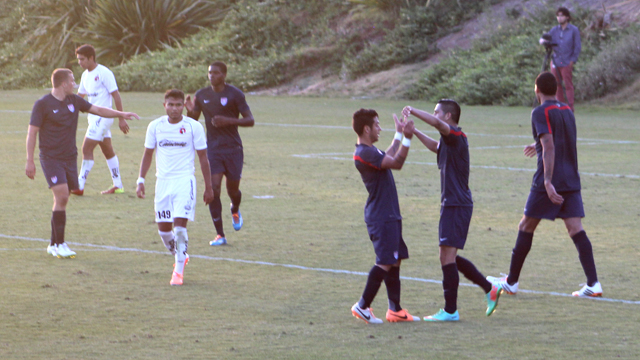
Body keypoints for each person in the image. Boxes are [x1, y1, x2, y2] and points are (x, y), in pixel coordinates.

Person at [487, 72, 602, 298]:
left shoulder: (539, 111)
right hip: (571, 178)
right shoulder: (567, 110)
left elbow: (550, 146)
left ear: (536, 89)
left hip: (549, 180)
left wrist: (548, 181)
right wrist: (537, 144)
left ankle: (511, 282)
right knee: (575, 229)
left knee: (525, 226)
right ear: (557, 89)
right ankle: (593, 283)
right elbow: (557, 140)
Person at [402, 100, 502, 321]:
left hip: (456, 204)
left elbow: (438, 128)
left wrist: (414, 112)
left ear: (447, 116)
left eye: (436, 111)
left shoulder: (455, 135)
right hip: (452, 203)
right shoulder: (448, 140)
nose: (434, 114)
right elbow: (435, 147)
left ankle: (450, 311)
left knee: (447, 257)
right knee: (448, 257)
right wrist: (414, 130)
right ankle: (489, 288)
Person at [26, 68, 139, 258]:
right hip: (50, 157)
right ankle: (61, 244)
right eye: (72, 81)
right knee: (62, 195)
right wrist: (30, 160)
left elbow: (99, 109)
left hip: (70, 156)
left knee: (62, 199)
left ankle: (53, 244)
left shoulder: (74, 101)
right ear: (63, 84)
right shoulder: (42, 104)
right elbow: (32, 133)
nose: (75, 84)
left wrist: (121, 114)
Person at [136, 89, 214, 286]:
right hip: (162, 183)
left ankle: (178, 271)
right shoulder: (155, 126)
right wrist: (141, 180)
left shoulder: (193, 127)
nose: (174, 108)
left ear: (183, 106)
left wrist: (209, 187)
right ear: (164, 106)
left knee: (179, 229)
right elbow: (147, 154)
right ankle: (181, 254)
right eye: (170, 104)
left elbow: (203, 158)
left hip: (184, 182)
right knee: (164, 232)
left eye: (179, 105)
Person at [350, 108, 421, 324]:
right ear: (366, 128)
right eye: (377, 125)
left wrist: (399, 135)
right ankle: (362, 306)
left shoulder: (369, 151)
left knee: (395, 259)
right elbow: (396, 163)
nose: (380, 128)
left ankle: (395, 310)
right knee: (385, 261)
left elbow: (387, 154)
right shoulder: (364, 153)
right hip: (382, 215)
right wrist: (408, 139)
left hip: (388, 213)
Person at [185, 61, 254, 246]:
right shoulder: (202, 95)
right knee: (214, 189)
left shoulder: (235, 94)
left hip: (233, 149)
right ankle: (220, 235)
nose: (211, 76)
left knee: (232, 189)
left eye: (215, 73)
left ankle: (235, 208)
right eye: (209, 73)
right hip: (213, 149)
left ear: (224, 75)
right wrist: (190, 111)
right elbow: (193, 120)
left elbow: (250, 120)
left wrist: (228, 121)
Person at [71, 44, 129, 195]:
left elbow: (116, 95)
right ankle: (118, 185)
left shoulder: (104, 73)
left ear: (91, 58)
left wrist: (121, 118)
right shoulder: (85, 75)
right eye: (78, 59)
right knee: (107, 150)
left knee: (86, 148)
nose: (80, 62)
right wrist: (67, 108)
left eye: (82, 59)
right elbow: (80, 98)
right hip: (93, 118)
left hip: (103, 118)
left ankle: (79, 185)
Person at [547, 7, 581, 111]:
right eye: (558, 16)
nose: (560, 18)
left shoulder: (573, 30)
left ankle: (570, 106)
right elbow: (546, 38)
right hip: (556, 61)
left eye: (562, 16)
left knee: (568, 84)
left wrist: (572, 60)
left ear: (567, 17)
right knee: (556, 84)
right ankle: (560, 105)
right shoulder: (554, 30)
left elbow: (577, 46)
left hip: (566, 61)